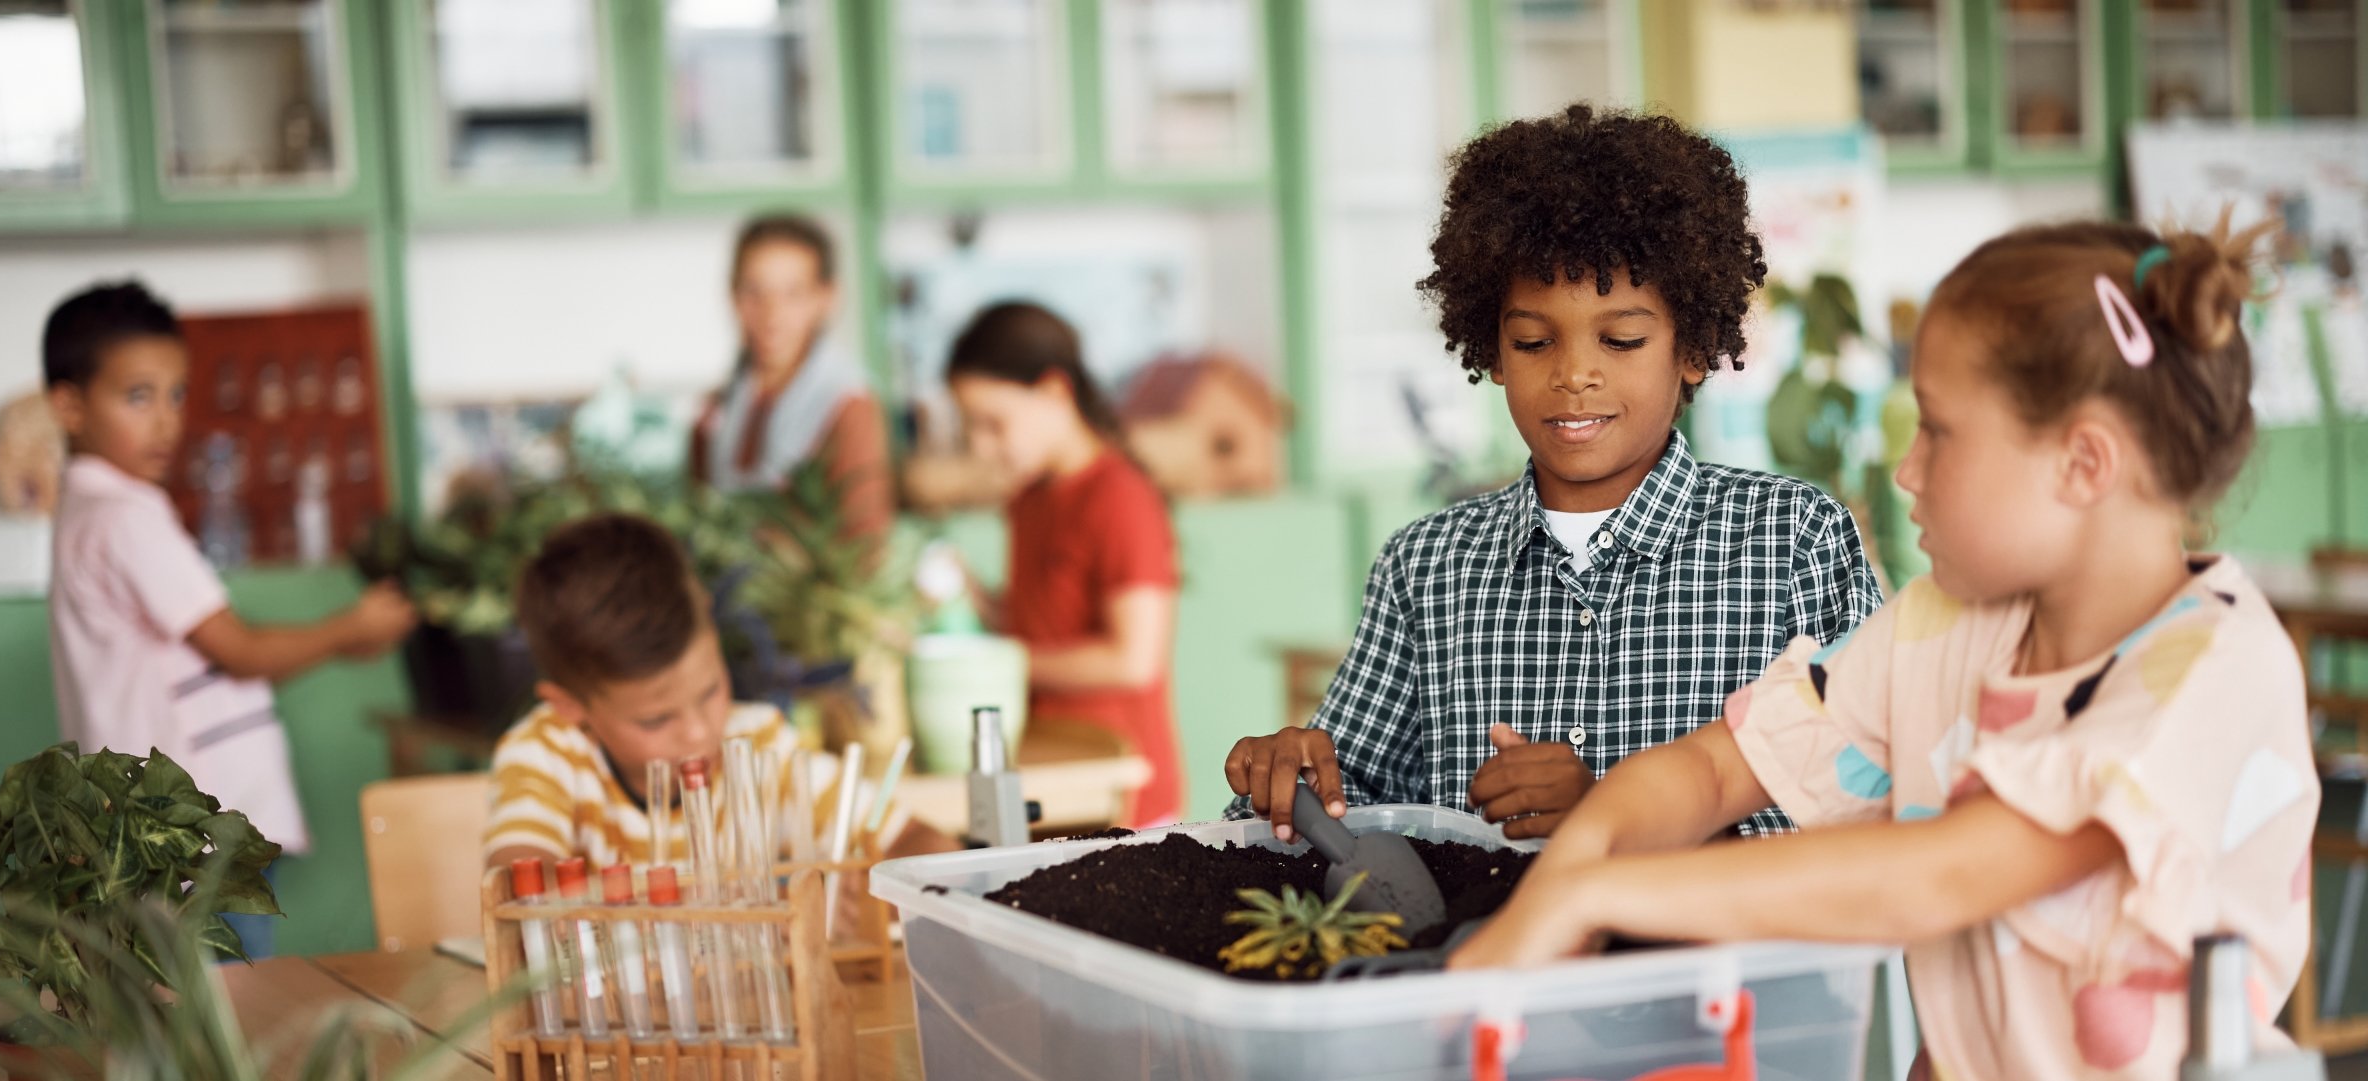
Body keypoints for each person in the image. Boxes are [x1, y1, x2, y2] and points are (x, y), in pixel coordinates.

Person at [1453, 220, 2311, 1081]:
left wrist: (1596, 894)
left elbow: (1942, 875)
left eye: (1938, 429)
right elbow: (1715, 771)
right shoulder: (1942, 622)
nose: (1907, 470)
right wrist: (1560, 883)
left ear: (2082, 462)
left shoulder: (2215, 668)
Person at [1225, 104, 1881, 841]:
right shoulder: (1426, 568)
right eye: (1535, 341)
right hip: (1491, 955)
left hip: (1727, 954)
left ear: (1693, 347)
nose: (1574, 374)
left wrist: (1614, 816)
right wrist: (1292, 778)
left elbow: (1871, 801)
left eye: (1622, 339)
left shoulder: (1792, 540)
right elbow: (1353, 802)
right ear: (1494, 354)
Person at [42, 280, 417, 958]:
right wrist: (347, 630)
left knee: (185, 1017)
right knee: (229, 1018)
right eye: (137, 395)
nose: (165, 419)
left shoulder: (88, 511)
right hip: (197, 832)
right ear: (69, 405)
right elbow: (235, 649)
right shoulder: (127, 515)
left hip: (157, 828)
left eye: (176, 393)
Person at [482, 513, 944, 871]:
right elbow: (521, 894)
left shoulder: (759, 745)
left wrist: (867, 894)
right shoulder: (545, 756)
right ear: (569, 705)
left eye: (710, 691)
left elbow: (924, 844)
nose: (699, 731)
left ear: (709, 617)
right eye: (655, 719)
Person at [945, 302, 1184, 827]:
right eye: (971, 427)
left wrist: (1002, 662)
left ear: (1055, 392)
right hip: (1047, 775)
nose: (982, 446)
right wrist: (975, 600)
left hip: (1119, 789)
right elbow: (1039, 625)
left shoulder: (1120, 496)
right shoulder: (1029, 501)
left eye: (993, 423)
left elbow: (1133, 659)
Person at [690, 213, 894, 541]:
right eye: (753, 292)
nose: (772, 314)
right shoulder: (718, 405)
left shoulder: (848, 403)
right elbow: (699, 510)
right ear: (732, 296)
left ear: (826, 298)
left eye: (793, 294)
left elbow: (863, 540)